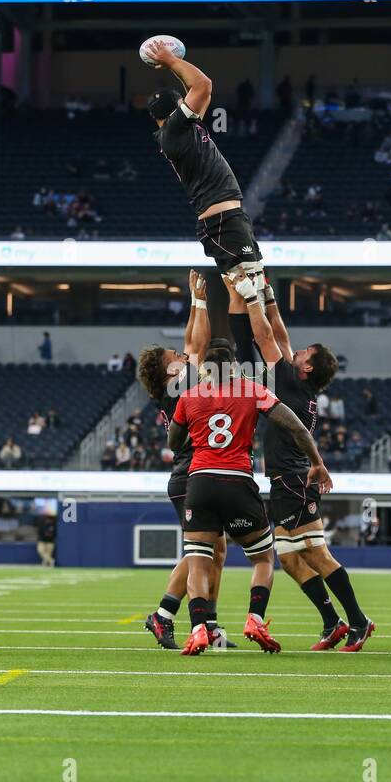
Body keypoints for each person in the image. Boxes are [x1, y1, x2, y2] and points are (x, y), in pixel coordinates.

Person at [233, 270, 374, 651]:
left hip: (293, 480)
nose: (295, 352)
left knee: (315, 552)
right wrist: (269, 296)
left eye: (303, 354)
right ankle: (333, 622)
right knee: (290, 558)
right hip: (286, 481)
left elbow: (265, 337)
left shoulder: (291, 381)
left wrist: (249, 297)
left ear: (307, 367)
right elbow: (279, 332)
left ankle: (359, 621)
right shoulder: (298, 382)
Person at [167, 338, 332, 655]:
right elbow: (298, 428)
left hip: (199, 482)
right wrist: (317, 462)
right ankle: (254, 619)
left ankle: (199, 629)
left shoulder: (188, 397)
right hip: (239, 482)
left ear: (205, 367)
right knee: (262, 557)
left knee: (199, 562)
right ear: (234, 364)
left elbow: (174, 443)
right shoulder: (251, 389)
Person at [144, 38, 263, 360]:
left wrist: (176, 69)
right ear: (175, 110)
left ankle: (248, 362)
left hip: (224, 221)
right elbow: (204, 85)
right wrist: (170, 61)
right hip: (224, 221)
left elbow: (198, 91)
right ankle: (249, 365)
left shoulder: (175, 130)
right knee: (248, 290)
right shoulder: (175, 131)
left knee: (244, 290)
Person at [139, 271, 232, 650]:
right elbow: (197, 343)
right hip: (191, 473)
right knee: (202, 551)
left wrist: (196, 300)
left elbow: (190, 345)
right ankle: (163, 614)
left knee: (216, 550)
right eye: (173, 357)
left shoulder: (175, 384)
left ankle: (208, 623)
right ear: (170, 371)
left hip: (195, 472)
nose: (179, 355)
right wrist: (198, 301)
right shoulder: (181, 384)